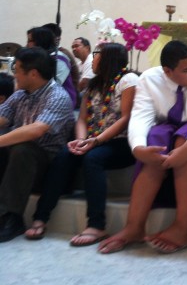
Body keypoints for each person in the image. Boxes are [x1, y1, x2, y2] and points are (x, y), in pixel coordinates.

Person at [98, 40, 187, 255]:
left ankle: (183, 227)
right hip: (168, 126)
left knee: (184, 140)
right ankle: (134, 226)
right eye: (186, 70)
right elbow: (141, 116)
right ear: (167, 71)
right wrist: (138, 148)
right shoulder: (149, 79)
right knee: (155, 140)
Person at [25, 43, 138, 245]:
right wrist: (81, 140)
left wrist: (96, 141)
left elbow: (125, 118)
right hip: (92, 141)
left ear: (108, 58)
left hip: (121, 143)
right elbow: (82, 120)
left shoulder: (128, 80)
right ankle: (40, 217)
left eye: (96, 54)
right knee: (64, 155)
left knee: (93, 159)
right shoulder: (93, 84)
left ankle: (97, 225)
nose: (92, 59)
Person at [0, 47, 74, 243]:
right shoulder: (20, 95)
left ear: (33, 73)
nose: (14, 75)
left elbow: (36, 130)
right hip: (19, 159)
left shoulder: (57, 96)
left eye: (17, 70)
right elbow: (2, 117)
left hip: (46, 164)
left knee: (21, 149)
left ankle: (11, 218)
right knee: (12, 148)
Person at [27, 27, 77, 109]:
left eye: (29, 41)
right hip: (42, 100)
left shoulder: (59, 59)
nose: (27, 45)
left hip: (61, 103)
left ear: (40, 41)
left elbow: (51, 87)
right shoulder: (39, 59)